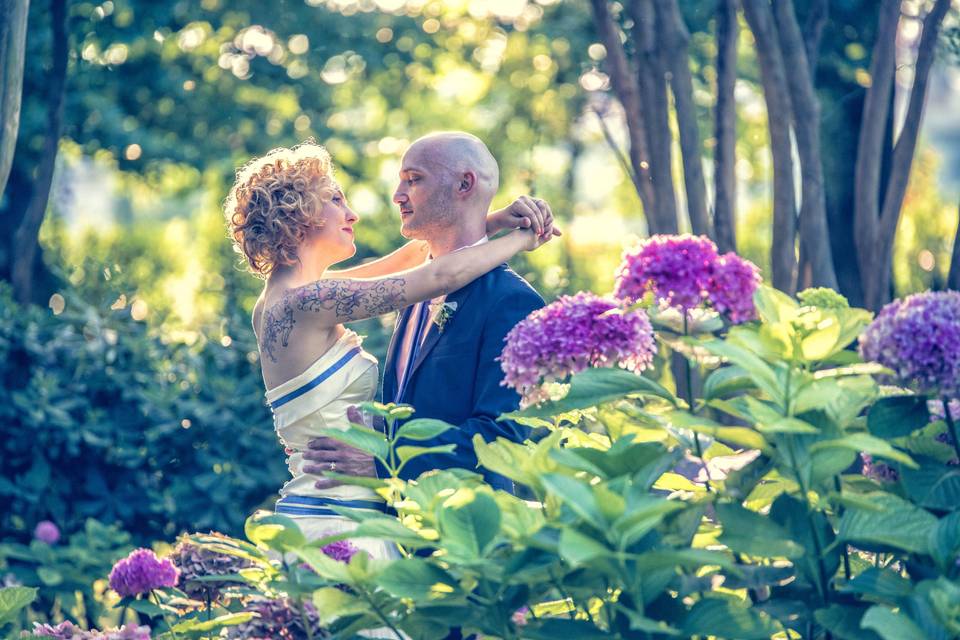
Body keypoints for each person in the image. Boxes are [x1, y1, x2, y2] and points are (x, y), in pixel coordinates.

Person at [224, 137, 556, 560]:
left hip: (333, 507)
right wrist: (524, 239)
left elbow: (412, 260)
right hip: (338, 514)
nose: (353, 213)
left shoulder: (287, 298)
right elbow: (436, 278)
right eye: (335, 199)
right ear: (300, 214)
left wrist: (486, 221)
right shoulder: (312, 301)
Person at [302, 132, 549, 495]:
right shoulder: (415, 288)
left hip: (464, 530)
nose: (397, 194)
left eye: (413, 179)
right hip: (394, 528)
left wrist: (387, 461)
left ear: (465, 184)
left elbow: (503, 437)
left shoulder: (513, 303)